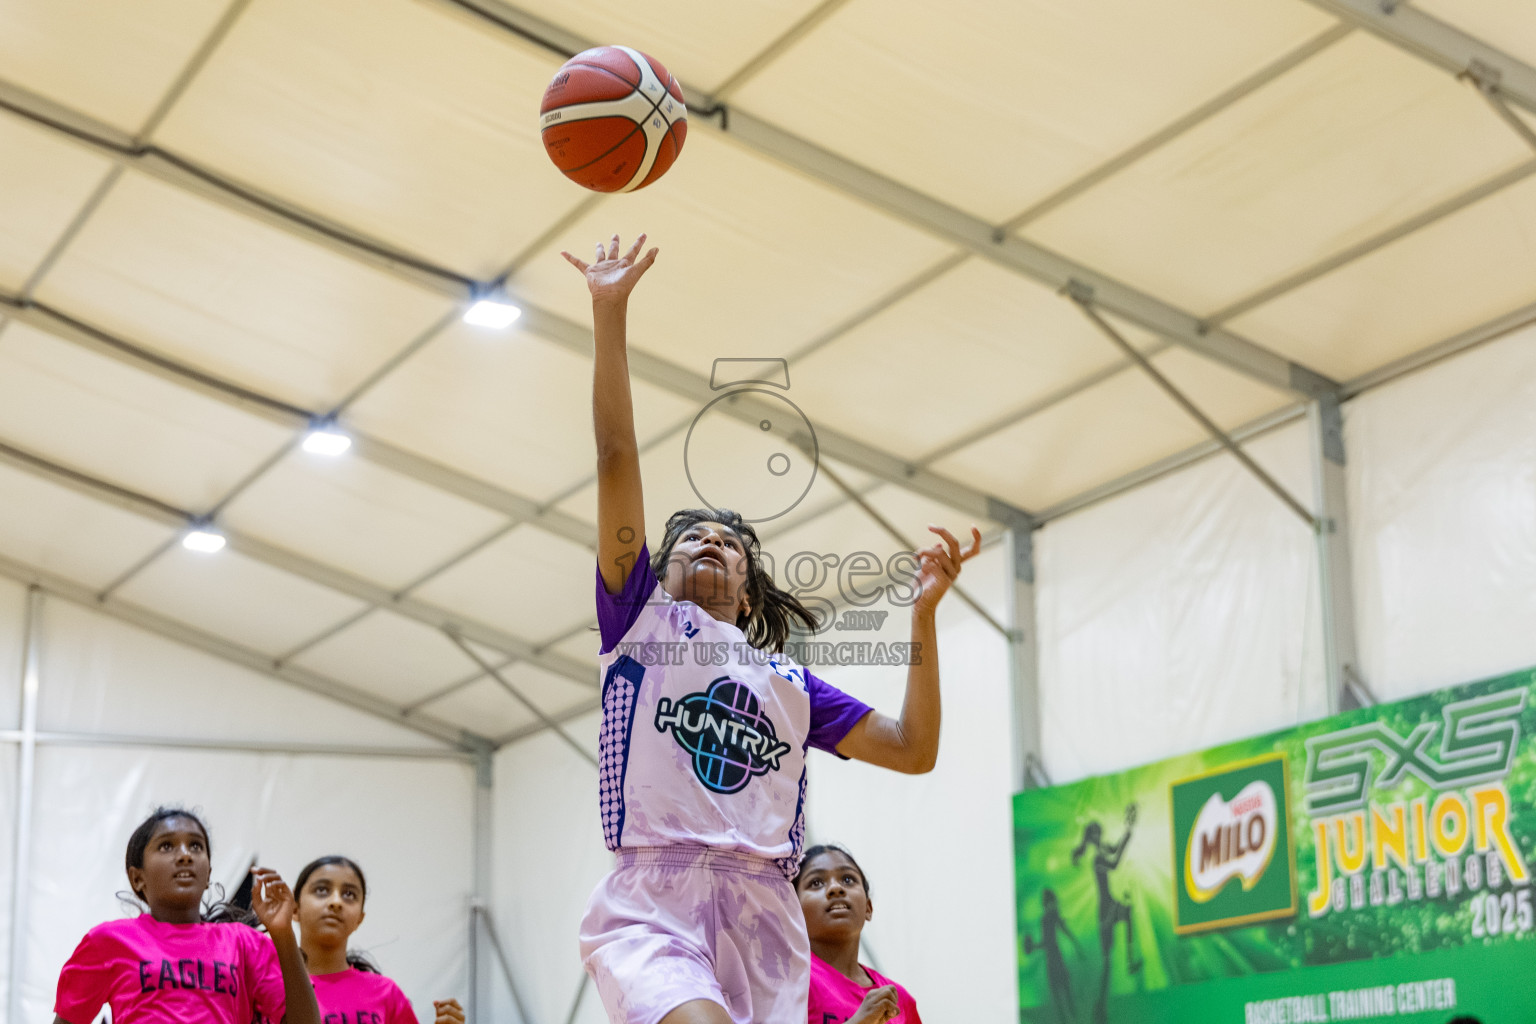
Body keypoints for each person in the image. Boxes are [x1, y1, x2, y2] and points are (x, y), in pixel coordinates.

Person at [563, 233, 980, 1024]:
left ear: (750, 594)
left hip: (761, 907)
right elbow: (616, 455)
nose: (711, 541)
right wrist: (609, 310)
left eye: (730, 542)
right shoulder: (641, 622)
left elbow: (913, 749)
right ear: (660, 570)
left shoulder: (789, 687)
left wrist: (921, 617)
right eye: (690, 537)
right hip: (657, 896)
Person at [53, 806, 320, 1024]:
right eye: (166, 846)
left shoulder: (245, 943)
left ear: (208, 875)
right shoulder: (107, 942)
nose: (185, 856)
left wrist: (283, 932)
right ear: (137, 878)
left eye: (195, 846)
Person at [292, 855, 465, 1024]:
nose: (336, 901)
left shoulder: (386, 993)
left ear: (359, 918)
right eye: (321, 890)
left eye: (349, 894)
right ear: (294, 908)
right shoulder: (270, 988)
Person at [794, 844, 921, 1024]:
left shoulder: (899, 998)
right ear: (794, 911)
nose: (835, 888)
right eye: (816, 883)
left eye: (847, 879)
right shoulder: (787, 980)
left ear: (868, 908)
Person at [1072, 805, 1142, 1024]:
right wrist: (1127, 834)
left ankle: (1131, 961)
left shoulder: (1102, 850)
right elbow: (1115, 862)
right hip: (1105, 910)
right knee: (1107, 962)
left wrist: (1127, 830)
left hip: (1109, 904)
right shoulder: (1097, 859)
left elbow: (1115, 849)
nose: (1100, 834)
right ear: (1092, 836)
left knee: (1128, 914)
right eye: (1096, 832)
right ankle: (1099, 1006)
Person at [1021, 887, 1084, 1024]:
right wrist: (1077, 947)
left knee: (1062, 992)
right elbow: (1056, 936)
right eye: (1053, 901)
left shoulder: (1047, 918)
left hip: (1053, 958)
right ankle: (1071, 1017)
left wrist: (1034, 946)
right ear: (1048, 903)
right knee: (1064, 992)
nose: (1055, 904)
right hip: (1054, 958)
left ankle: (1070, 1018)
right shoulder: (1049, 917)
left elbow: (1050, 940)